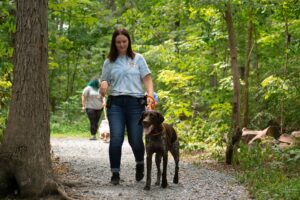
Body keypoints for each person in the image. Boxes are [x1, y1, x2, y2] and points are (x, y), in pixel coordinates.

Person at [100, 28, 155, 185]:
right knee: (116, 138)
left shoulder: (138, 59)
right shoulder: (109, 62)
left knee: (135, 139)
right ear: (114, 43)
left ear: (129, 41)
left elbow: (148, 79)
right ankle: (115, 173)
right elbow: (103, 87)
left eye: (124, 41)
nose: (121, 44)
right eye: (118, 42)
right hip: (115, 104)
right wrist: (103, 86)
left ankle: (139, 164)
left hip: (135, 104)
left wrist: (150, 96)